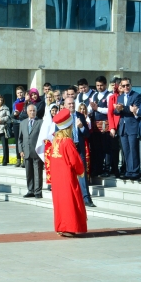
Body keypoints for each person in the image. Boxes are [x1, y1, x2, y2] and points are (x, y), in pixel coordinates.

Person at [48, 109, 87, 237]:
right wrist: (80, 171)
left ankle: (61, 226)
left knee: (60, 203)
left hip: (57, 178)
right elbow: (75, 161)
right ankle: (69, 227)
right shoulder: (67, 142)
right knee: (70, 202)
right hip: (68, 177)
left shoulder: (55, 141)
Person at [64, 97, 94, 207]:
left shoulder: (80, 116)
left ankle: (86, 197)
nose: (71, 105)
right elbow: (57, 133)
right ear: (65, 105)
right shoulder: (63, 117)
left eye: (73, 103)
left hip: (79, 148)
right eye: (69, 104)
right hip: (68, 149)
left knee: (82, 172)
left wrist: (81, 127)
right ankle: (70, 198)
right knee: (68, 173)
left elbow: (87, 134)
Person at [115, 78, 141, 180]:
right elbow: (116, 112)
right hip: (123, 127)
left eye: (127, 85)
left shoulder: (137, 96)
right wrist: (118, 109)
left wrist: (123, 108)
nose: (126, 87)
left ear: (131, 85)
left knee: (133, 149)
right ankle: (128, 171)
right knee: (126, 150)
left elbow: (134, 110)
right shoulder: (120, 97)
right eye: (123, 86)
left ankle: (135, 171)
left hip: (132, 126)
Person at [19, 104, 44, 198]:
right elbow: (20, 139)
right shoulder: (23, 123)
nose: (32, 112)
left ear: (36, 112)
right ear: (27, 112)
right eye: (30, 111)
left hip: (36, 151)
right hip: (26, 151)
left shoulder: (40, 122)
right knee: (28, 172)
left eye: (34, 111)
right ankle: (30, 190)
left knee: (37, 172)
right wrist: (21, 150)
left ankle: (37, 191)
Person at [12, 86, 27, 167]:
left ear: (24, 93)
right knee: (18, 141)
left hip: (24, 123)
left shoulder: (27, 102)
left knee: (24, 141)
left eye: (21, 92)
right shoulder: (15, 103)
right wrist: (15, 114)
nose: (20, 94)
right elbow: (12, 114)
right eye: (18, 93)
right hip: (17, 123)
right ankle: (18, 159)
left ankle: (24, 160)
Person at [76, 103, 92, 179]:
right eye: (81, 109)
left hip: (85, 140)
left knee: (86, 158)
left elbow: (88, 131)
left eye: (84, 109)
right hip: (80, 140)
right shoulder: (77, 117)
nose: (82, 110)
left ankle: (87, 177)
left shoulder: (88, 118)